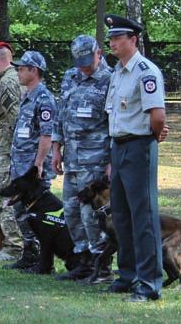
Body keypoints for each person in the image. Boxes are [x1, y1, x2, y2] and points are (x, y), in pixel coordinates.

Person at [103, 14, 167, 302]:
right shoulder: (117, 72)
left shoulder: (145, 71)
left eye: (118, 38)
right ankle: (127, 275)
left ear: (133, 39)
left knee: (143, 216)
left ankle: (149, 282)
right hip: (118, 147)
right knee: (122, 214)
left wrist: (152, 137)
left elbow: (158, 116)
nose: (112, 43)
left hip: (139, 146)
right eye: (111, 38)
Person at [52, 35, 113, 283]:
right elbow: (60, 115)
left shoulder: (111, 79)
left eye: (88, 61)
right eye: (80, 61)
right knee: (71, 212)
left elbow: (115, 123)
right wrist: (56, 148)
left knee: (92, 216)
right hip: (72, 160)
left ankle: (102, 265)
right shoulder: (70, 77)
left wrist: (112, 161)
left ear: (99, 52)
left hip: (96, 160)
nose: (84, 66)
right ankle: (83, 262)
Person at [6, 51, 56, 269]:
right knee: (20, 209)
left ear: (33, 71)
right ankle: (30, 252)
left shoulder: (44, 98)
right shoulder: (28, 96)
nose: (18, 72)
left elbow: (46, 137)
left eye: (21, 69)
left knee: (36, 211)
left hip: (32, 167)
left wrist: (38, 165)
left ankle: (41, 256)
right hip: (20, 164)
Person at [0, 42, 23, 262]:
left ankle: (14, 247)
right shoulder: (3, 81)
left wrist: (13, 151)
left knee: (4, 197)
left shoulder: (7, 82)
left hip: (8, 152)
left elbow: (16, 119)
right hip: (2, 151)